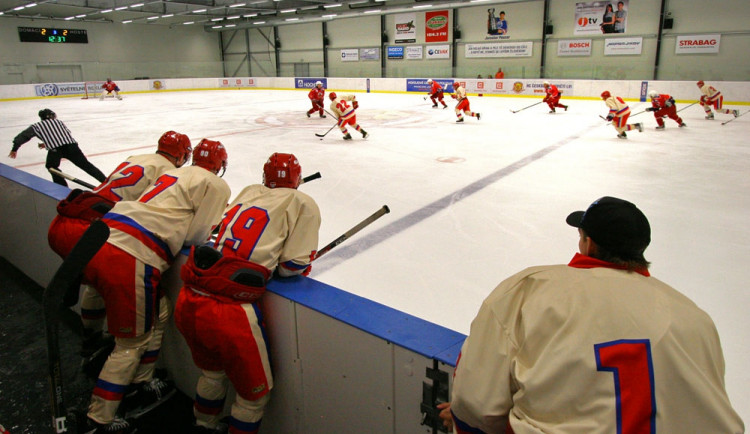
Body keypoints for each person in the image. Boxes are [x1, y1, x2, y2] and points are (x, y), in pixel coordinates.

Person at [439, 196, 745, 433]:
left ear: (589, 242)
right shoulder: (694, 316)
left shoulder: (529, 290)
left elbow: (475, 404)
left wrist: (461, 419)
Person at [68, 139, 231, 433]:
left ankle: (136, 377)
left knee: (159, 311)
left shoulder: (171, 173)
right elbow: (195, 236)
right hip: (132, 254)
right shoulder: (215, 185)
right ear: (219, 164)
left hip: (101, 237)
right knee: (131, 343)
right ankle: (98, 420)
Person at [175, 152, 321, 434]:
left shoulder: (249, 191)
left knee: (212, 373)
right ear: (297, 179)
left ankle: (203, 425)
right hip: (230, 313)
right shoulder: (303, 202)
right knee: (254, 397)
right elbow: (292, 267)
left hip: (191, 295)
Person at [47, 131, 194, 374]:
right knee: (156, 308)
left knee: (96, 284)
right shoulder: (171, 172)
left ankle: (90, 340)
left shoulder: (135, 157)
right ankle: (141, 375)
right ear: (181, 155)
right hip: (96, 232)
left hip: (68, 220)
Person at [9, 108, 107, 187]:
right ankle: (106, 182)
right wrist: (47, 142)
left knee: (51, 167)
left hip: (56, 150)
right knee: (86, 165)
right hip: (72, 146)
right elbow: (64, 135)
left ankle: (61, 187)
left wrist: (15, 148)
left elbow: (22, 137)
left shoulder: (36, 126)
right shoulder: (59, 122)